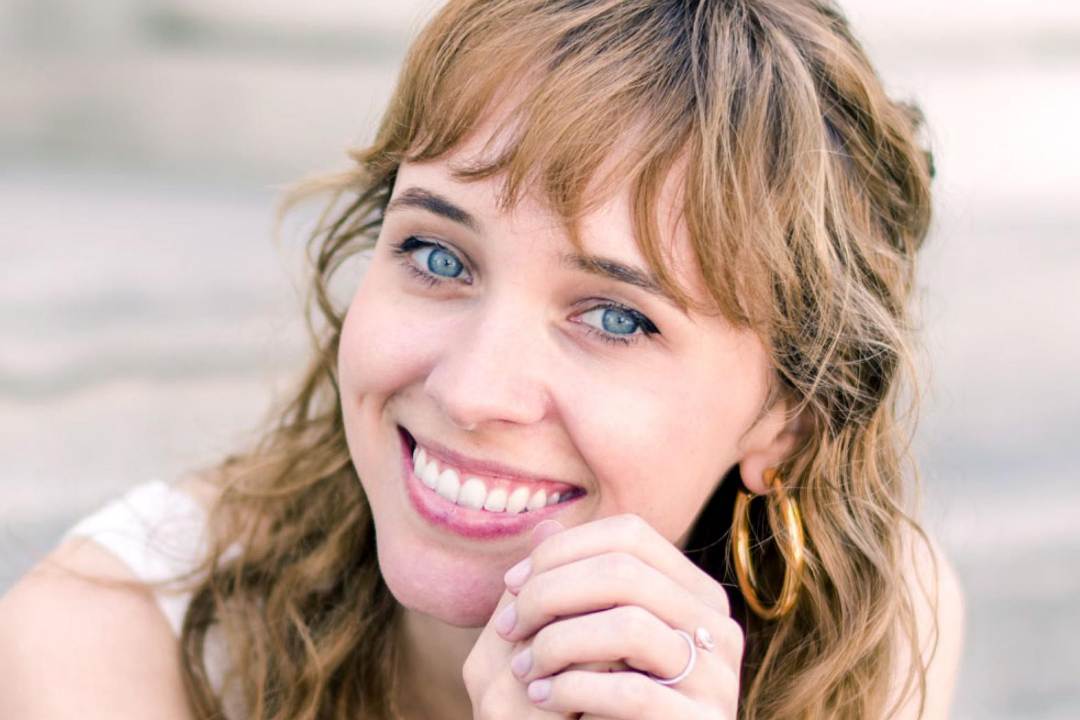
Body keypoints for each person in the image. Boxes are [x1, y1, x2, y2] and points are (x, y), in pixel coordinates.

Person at [0, 0, 965, 717]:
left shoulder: (870, 636)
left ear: (788, 419)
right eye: (438, 257)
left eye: (615, 317)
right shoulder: (103, 648)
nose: (470, 391)